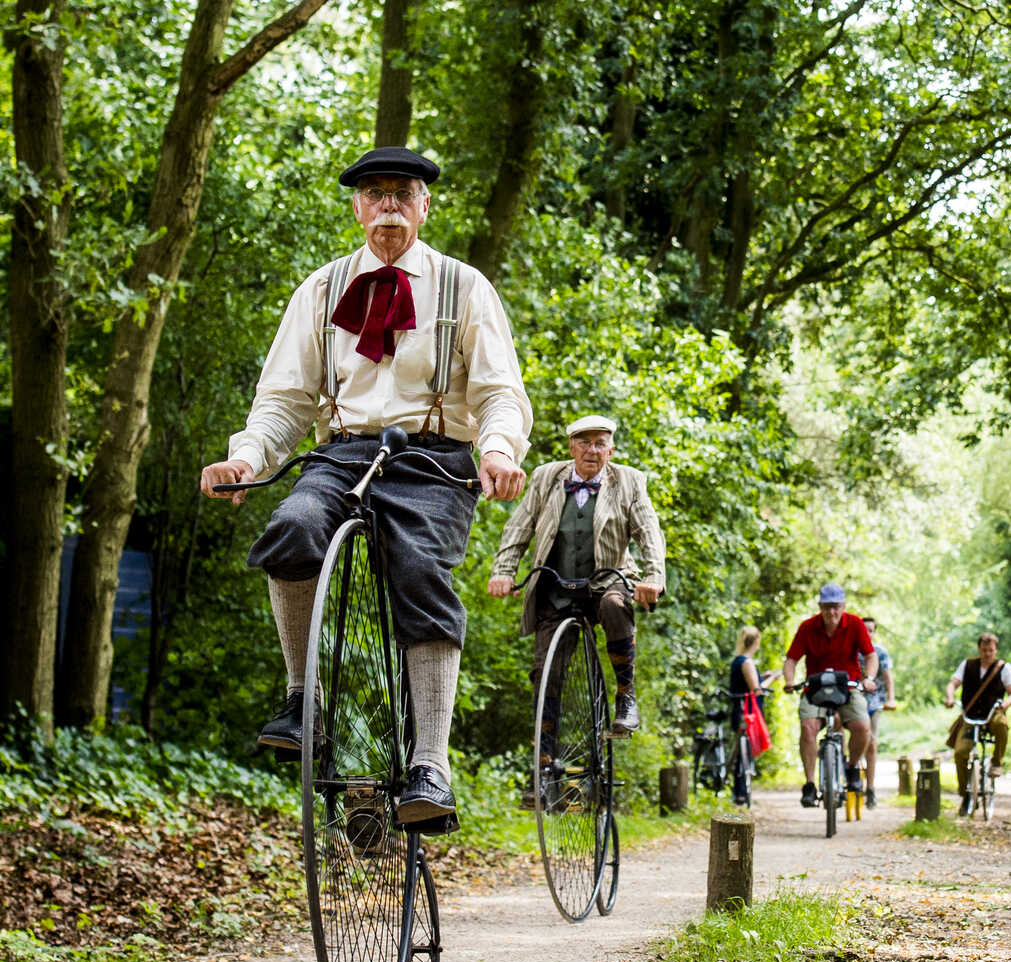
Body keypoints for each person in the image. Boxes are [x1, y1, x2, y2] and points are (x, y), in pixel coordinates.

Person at [199, 146, 530, 832]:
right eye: (375, 194)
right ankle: (303, 700)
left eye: (402, 194)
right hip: (343, 453)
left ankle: (430, 764)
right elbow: (284, 401)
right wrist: (247, 459)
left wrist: (498, 449)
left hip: (433, 459)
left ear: (424, 206)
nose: (388, 207)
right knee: (291, 528)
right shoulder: (321, 291)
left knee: (420, 569)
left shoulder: (463, 287)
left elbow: (500, 392)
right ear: (357, 208)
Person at [487, 414, 666, 741]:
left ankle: (626, 695)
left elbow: (648, 532)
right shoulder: (546, 477)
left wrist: (653, 576)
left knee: (615, 605)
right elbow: (519, 527)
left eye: (600, 444)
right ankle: (544, 759)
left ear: (611, 450)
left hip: (606, 581)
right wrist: (503, 572)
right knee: (546, 673)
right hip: (556, 588)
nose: (591, 450)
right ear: (571, 447)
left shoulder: (629, 481)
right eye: (584, 442)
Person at [781, 585, 877, 807]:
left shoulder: (855, 624)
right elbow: (791, 659)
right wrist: (789, 680)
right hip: (815, 687)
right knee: (808, 727)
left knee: (863, 727)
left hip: (848, 686)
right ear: (820, 607)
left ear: (843, 606)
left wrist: (869, 678)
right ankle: (810, 784)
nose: (831, 612)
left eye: (835, 607)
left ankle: (852, 767)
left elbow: (870, 656)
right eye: (826, 607)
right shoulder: (807, 627)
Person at [947, 633, 1011, 815]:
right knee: (960, 752)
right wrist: (950, 697)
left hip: (992, 712)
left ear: (996, 650)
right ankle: (965, 793)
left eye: (991, 650)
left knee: (1001, 724)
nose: (987, 654)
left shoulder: (1004, 668)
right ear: (979, 649)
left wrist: (1006, 704)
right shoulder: (967, 665)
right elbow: (953, 684)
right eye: (984, 650)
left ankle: (997, 761)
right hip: (970, 716)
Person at [724, 626, 763, 805]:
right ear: (756, 642)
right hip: (746, 712)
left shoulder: (737, 660)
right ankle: (740, 791)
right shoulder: (747, 662)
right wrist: (771, 679)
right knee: (744, 751)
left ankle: (738, 791)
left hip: (738, 709)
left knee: (741, 751)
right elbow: (756, 690)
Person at [861, 619, 897, 809]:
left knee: (871, 744)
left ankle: (870, 788)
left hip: (874, 702)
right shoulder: (851, 650)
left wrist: (891, 699)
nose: (868, 634)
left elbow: (888, 677)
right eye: (864, 630)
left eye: (871, 630)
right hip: (851, 699)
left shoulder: (880, 652)